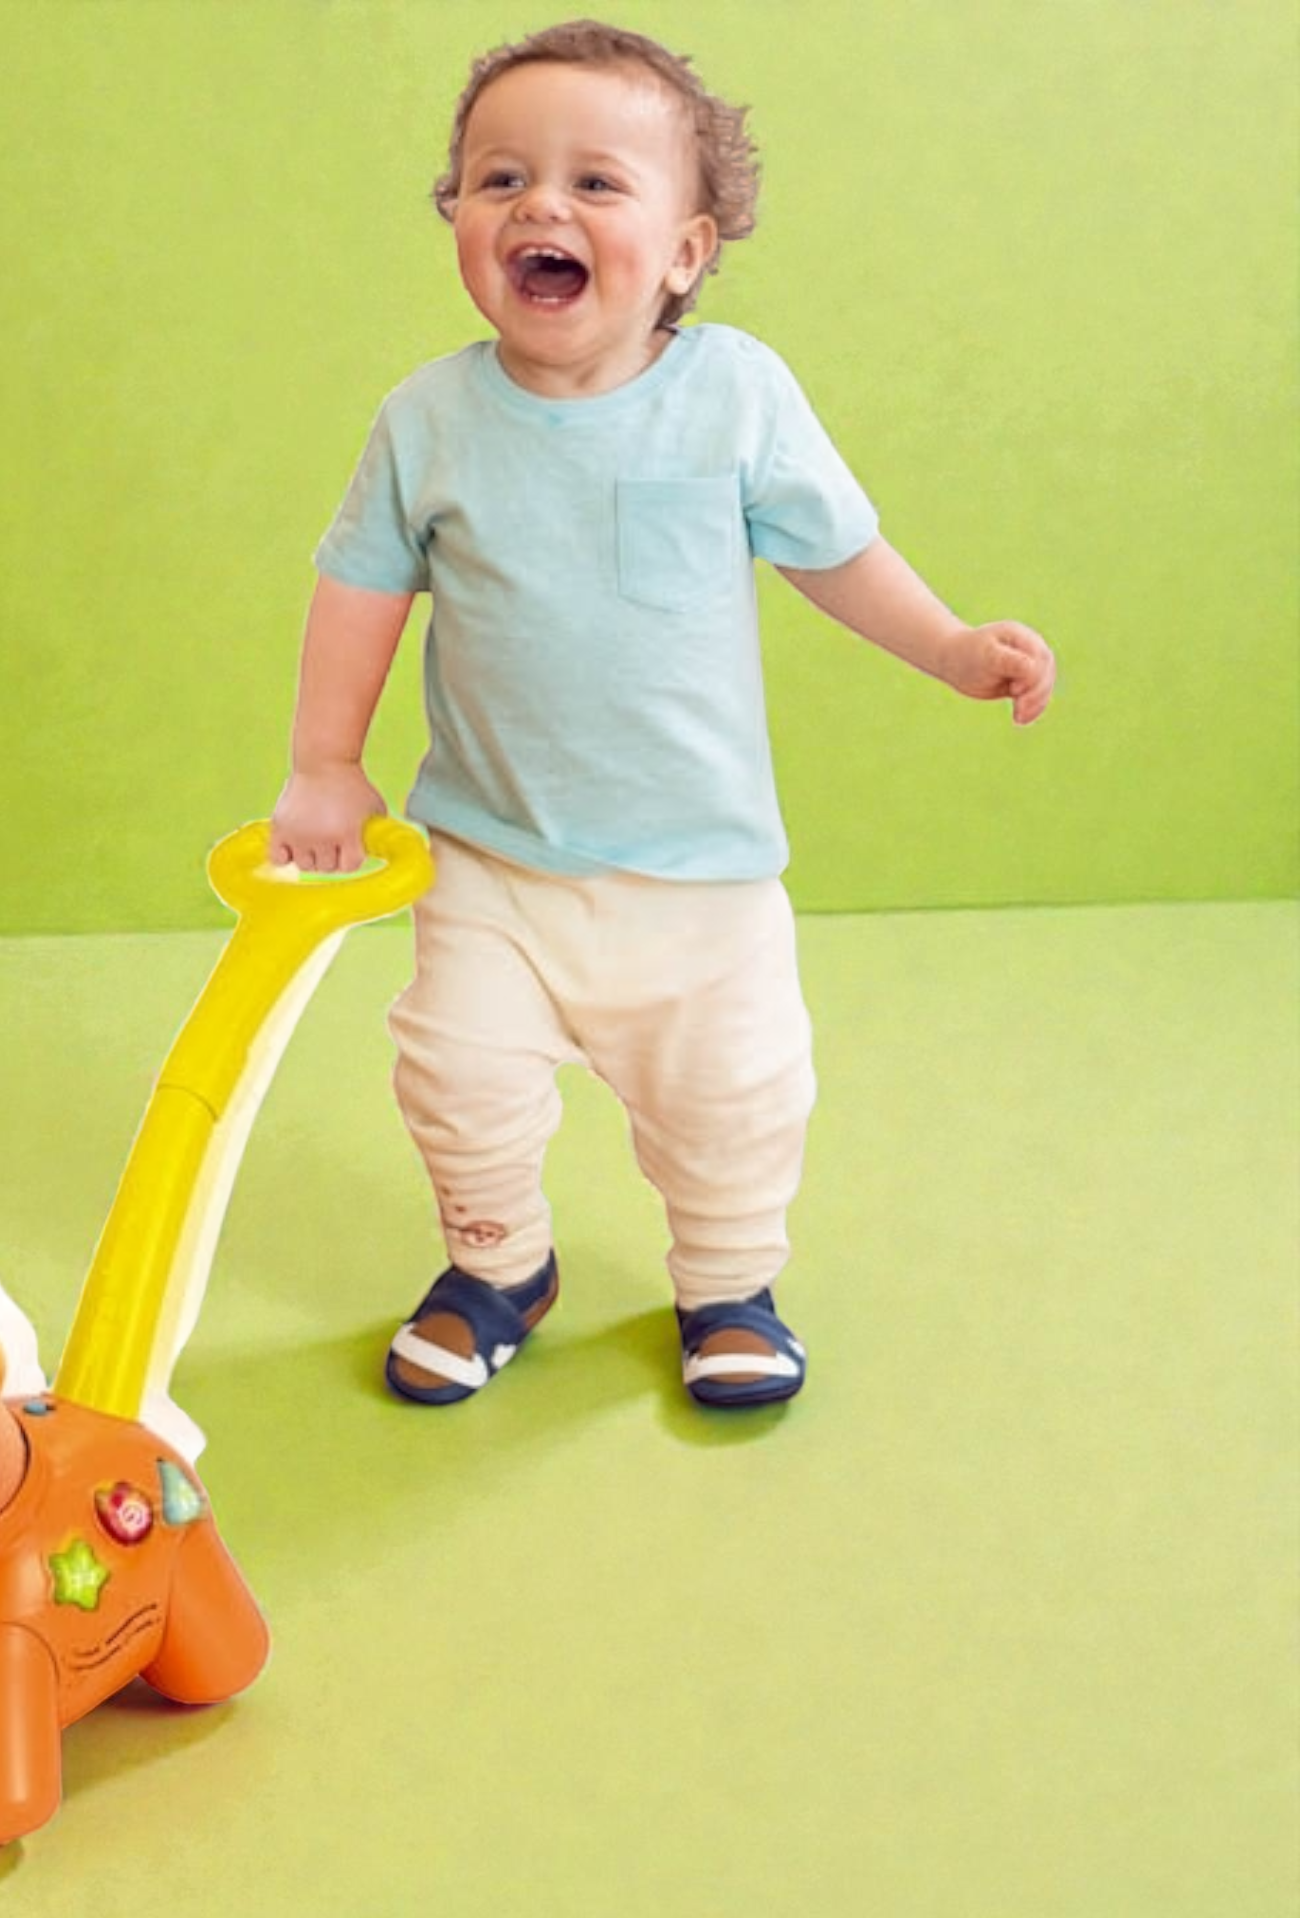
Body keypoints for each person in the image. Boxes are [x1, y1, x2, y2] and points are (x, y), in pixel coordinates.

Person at [269, 20, 1055, 1409]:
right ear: (459, 220)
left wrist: (947, 646)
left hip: (701, 877)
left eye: (595, 182)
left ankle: (729, 1283)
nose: (542, 206)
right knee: (454, 1073)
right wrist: (326, 763)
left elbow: (834, 551)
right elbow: (360, 588)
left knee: (735, 1099)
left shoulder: (733, 395)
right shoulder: (428, 420)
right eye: (501, 179)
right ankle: (499, 1268)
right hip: (494, 857)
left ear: (686, 251)